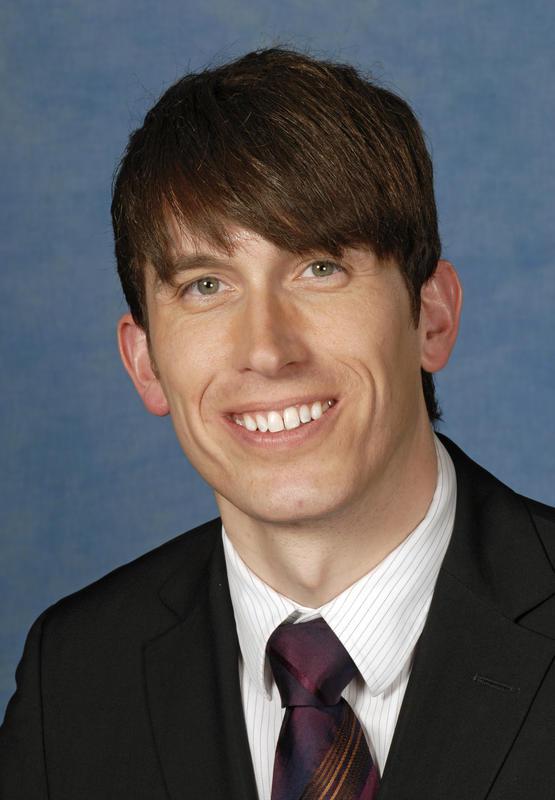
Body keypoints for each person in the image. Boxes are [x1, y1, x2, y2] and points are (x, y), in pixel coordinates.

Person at [1, 47, 554, 800]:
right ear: (146, 363)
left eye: (320, 268)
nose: (266, 349)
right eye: (205, 285)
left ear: (431, 316)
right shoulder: (75, 677)